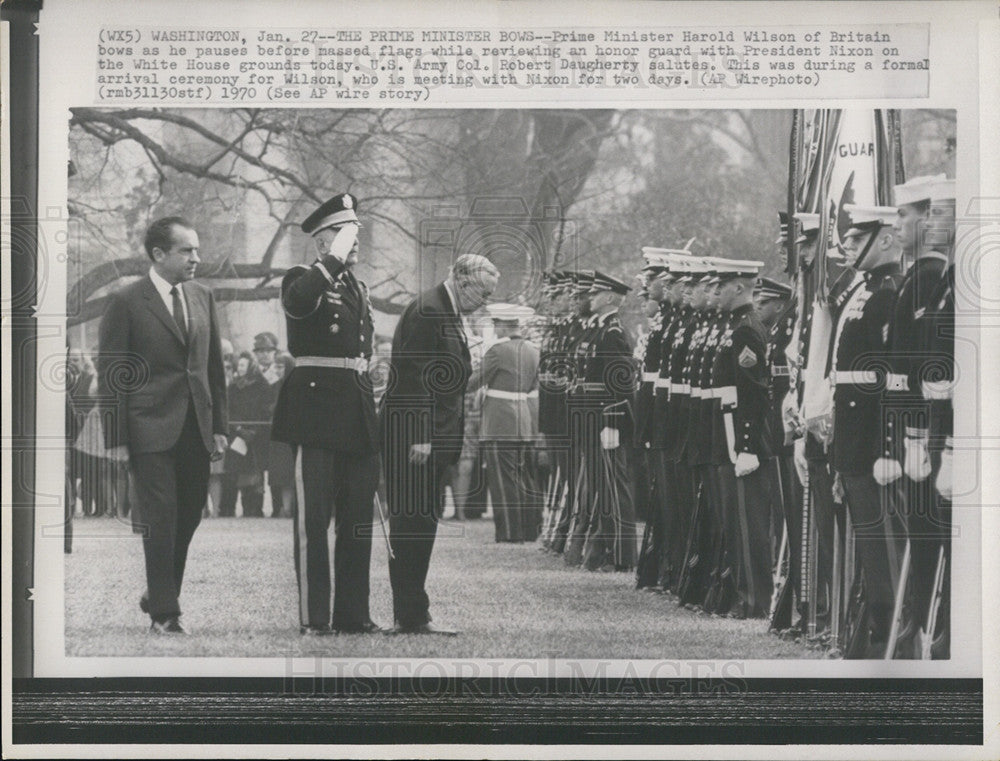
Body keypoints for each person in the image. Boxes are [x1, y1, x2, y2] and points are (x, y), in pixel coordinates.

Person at [97, 216, 228, 635]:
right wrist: (116, 437)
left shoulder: (204, 297)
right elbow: (112, 374)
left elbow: (214, 370)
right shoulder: (126, 301)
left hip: (197, 428)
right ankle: (166, 613)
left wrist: (220, 427)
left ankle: (159, 592)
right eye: (187, 250)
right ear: (159, 254)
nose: (196, 258)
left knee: (189, 515)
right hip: (147, 428)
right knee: (161, 516)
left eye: (197, 249)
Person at [271, 192, 383, 636]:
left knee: (357, 518)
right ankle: (315, 616)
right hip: (316, 407)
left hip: (355, 404)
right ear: (323, 242)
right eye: (344, 234)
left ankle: (352, 614)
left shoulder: (358, 286)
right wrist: (333, 260)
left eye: (356, 234)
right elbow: (300, 303)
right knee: (314, 520)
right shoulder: (302, 277)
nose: (355, 242)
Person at [383, 253, 500, 635]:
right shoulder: (430, 311)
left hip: (433, 437)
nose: (485, 300)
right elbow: (414, 377)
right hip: (417, 438)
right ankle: (411, 615)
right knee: (412, 525)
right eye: (483, 292)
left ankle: (414, 612)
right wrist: (421, 436)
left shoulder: (445, 310)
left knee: (422, 523)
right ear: (463, 281)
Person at [830, 203, 904, 657]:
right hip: (853, 431)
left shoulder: (889, 293)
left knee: (882, 544)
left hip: (872, 435)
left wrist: (887, 444)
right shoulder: (862, 291)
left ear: (887, 239)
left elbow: (891, 377)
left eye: (860, 239)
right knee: (868, 541)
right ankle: (873, 627)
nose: (850, 245)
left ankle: (889, 633)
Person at [479, 303, 542, 543]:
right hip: (524, 419)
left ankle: (509, 533)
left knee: (503, 480)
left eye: (496, 323)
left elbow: (474, 380)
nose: (494, 328)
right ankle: (529, 529)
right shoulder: (533, 350)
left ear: (506, 325)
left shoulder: (498, 351)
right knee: (524, 478)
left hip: (499, 421)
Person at [227, 350, 270, 517]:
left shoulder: (262, 384)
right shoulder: (233, 386)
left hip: (258, 434)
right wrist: (238, 428)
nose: (240, 368)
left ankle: (257, 507)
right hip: (238, 434)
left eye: (243, 364)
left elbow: (265, 409)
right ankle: (246, 507)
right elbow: (229, 409)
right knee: (241, 470)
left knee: (257, 471)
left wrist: (255, 430)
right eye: (239, 365)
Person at [267, 352, 297, 519]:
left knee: (290, 475)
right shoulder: (274, 386)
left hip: (290, 436)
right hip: (277, 437)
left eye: (280, 367)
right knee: (280, 476)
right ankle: (283, 508)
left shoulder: (294, 385)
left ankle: (290, 508)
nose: (277, 370)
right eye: (276, 366)